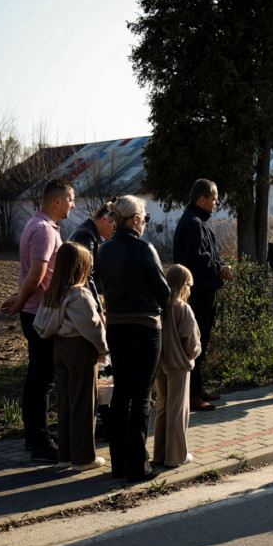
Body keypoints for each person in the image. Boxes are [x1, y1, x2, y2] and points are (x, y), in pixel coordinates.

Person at [0, 178, 75, 463]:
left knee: (38, 378)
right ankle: (39, 443)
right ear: (57, 201)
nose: (73, 204)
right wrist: (20, 301)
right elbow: (37, 275)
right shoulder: (45, 231)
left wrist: (19, 297)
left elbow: (32, 276)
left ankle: (36, 437)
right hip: (40, 313)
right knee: (42, 380)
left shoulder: (38, 225)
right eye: (70, 199)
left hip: (35, 310)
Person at [96, 195, 170, 483]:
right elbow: (163, 292)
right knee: (141, 396)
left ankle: (119, 464)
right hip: (145, 327)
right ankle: (139, 466)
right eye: (146, 217)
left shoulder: (104, 250)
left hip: (115, 326)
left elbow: (103, 283)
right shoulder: (144, 248)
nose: (145, 222)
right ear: (136, 219)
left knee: (121, 395)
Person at [32, 242, 108, 472]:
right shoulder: (79, 294)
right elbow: (92, 327)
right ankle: (84, 458)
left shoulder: (53, 293)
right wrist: (104, 349)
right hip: (80, 350)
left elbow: (41, 325)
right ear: (81, 267)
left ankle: (65, 456)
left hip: (60, 348)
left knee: (65, 402)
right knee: (84, 403)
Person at [173, 179, 232, 411]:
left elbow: (212, 255)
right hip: (196, 293)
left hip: (206, 291)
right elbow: (197, 260)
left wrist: (222, 265)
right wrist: (219, 269)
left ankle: (197, 388)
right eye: (214, 198)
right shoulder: (193, 224)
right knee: (193, 343)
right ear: (202, 199)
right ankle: (191, 394)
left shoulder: (200, 222)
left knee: (202, 342)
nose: (217, 202)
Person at [153, 264, 202, 468]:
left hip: (160, 363)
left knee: (163, 407)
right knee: (178, 410)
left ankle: (160, 454)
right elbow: (191, 340)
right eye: (190, 285)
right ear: (184, 285)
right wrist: (194, 353)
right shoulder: (182, 308)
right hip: (179, 364)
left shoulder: (160, 306)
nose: (191, 289)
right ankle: (176, 456)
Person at [67, 203, 115, 312]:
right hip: (80, 302)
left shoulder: (85, 232)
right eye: (115, 227)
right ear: (104, 219)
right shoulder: (86, 237)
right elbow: (86, 277)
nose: (114, 232)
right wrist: (98, 310)